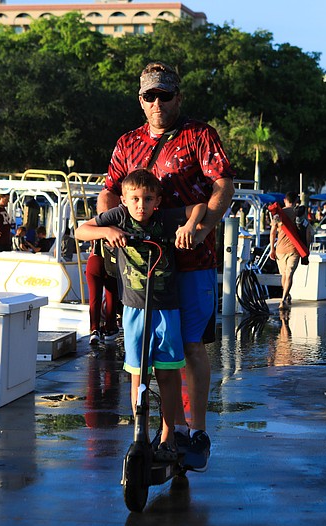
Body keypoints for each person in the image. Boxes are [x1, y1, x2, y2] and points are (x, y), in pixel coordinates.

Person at [98, 61, 235, 471]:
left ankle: (196, 431)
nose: (157, 103)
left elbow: (223, 183)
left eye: (165, 95)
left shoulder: (199, 135)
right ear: (140, 100)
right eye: (149, 96)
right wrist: (107, 234)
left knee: (190, 346)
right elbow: (108, 192)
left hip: (190, 260)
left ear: (179, 96)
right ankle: (154, 431)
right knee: (145, 353)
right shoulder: (128, 143)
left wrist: (204, 226)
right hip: (144, 265)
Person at [76, 169, 206, 462]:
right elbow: (81, 230)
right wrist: (106, 231)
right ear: (123, 199)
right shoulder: (119, 216)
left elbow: (198, 207)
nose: (141, 205)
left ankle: (168, 433)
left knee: (169, 371)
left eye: (148, 199)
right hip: (134, 309)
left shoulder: (165, 218)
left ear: (158, 200)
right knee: (138, 373)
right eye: (134, 199)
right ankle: (140, 433)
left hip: (166, 309)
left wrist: (190, 226)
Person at [269, 191, 309, 309]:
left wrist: (272, 249)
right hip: (295, 248)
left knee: (285, 275)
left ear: (285, 200)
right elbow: (307, 232)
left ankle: (283, 298)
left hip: (280, 250)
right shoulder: (300, 214)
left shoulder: (278, 215)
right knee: (289, 274)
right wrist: (307, 248)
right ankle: (285, 297)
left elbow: (272, 233)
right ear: (297, 201)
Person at [85, 237, 120, 345]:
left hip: (94, 260)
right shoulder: (117, 225)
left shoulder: (96, 227)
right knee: (111, 296)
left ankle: (94, 330)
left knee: (94, 298)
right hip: (111, 262)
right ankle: (110, 328)